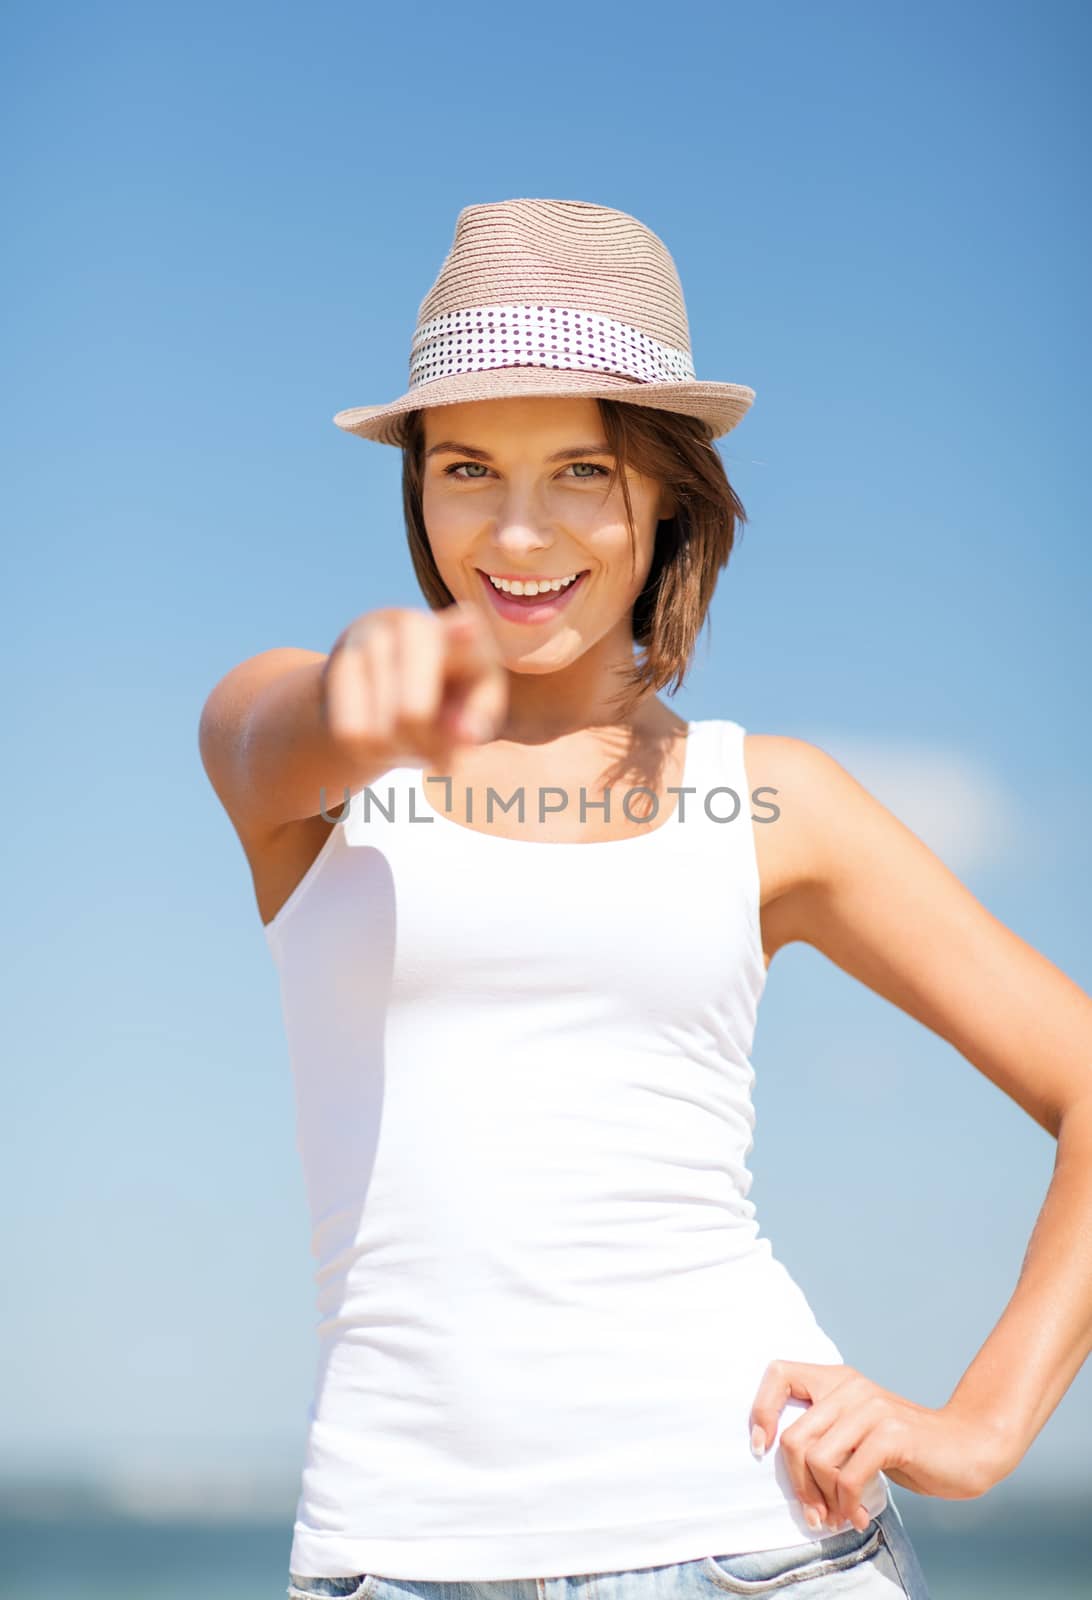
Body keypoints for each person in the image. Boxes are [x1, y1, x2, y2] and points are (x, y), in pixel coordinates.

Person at [198, 200, 1092, 1600]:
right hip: (399, 1558)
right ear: (417, 487)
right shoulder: (311, 759)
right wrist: (357, 689)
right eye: (468, 467)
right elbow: (266, 731)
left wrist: (980, 1428)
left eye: (582, 472)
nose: (516, 528)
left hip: (757, 1539)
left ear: (668, 489)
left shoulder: (775, 799)